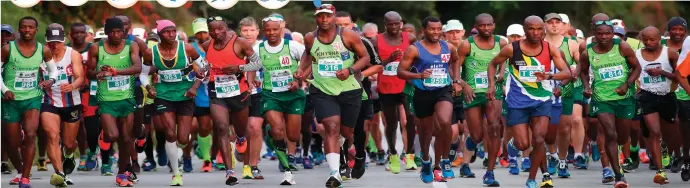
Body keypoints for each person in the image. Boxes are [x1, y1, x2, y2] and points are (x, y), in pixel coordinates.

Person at [490, 16, 572, 188]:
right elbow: (493, 64)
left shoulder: (550, 49)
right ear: (525, 31)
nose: (535, 32)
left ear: (543, 30)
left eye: (539, 29)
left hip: (542, 100)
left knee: (539, 139)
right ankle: (514, 144)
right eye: (531, 29)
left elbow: (567, 72)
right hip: (517, 101)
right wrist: (491, 85)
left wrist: (549, 76)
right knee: (523, 144)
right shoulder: (511, 49)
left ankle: (532, 179)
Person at [295, 4, 371, 187]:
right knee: (331, 127)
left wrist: (350, 70)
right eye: (320, 16)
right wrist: (301, 72)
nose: (324, 20)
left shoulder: (348, 35)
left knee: (346, 132)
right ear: (316, 17)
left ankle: (350, 147)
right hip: (322, 89)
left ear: (334, 17)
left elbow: (365, 58)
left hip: (349, 89)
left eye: (327, 16)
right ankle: (334, 173)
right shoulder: (310, 38)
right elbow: (308, 56)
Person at [396, 16, 460, 183]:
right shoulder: (414, 49)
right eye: (432, 29)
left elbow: (456, 60)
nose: (436, 32)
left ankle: (444, 161)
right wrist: (419, 75)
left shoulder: (449, 47)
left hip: (443, 90)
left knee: (445, 122)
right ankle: (425, 161)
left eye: (439, 29)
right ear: (423, 31)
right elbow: (400, 72)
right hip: (422, 92)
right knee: (426, 132)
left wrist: (456, 80)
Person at [200, 15, 262, 185]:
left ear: (226, 27)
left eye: (220, 28)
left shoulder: (240, 42)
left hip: (239, 92)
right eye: (212, 29)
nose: (216, 32)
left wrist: (240, 67)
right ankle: (229, 172)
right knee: (221, 128)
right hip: (217, 92)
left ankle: (242, 141)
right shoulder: (207, 45)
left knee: (241, 130)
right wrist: (202, 71)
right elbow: (207, 64)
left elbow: (257, 63)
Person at [579, 18, 642, 188]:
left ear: (613, 34)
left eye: (607, 33)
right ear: (594, 35)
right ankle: (618, 175)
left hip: (624, 98)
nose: (604, 36)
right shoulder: (588, 52)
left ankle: (620, 156)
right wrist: (586, 87)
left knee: (622, 137)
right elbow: (583, 72)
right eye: (600, 34)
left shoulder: (622, 46)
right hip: (602, 99)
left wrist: (627, 84)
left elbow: (637, 68)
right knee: (610, 133)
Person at [141, 19, 203, 186]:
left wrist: (195, 87)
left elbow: (205, 68)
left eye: (174, 31)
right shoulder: (150, 52)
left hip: (185, 95)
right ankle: (176, 174)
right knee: (170, 134)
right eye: (167, 32)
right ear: (160, 34)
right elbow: (142, 73)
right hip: (163, 95)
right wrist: (148, 87)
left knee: (182, 139)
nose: (171, 34)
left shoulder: (187, 48)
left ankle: (186, 142)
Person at [86, 17, 142, 187]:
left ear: (124, 32)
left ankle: (122, 173)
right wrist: (98, 74)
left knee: (126, 138)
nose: (116, 34)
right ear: (107, 32)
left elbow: (137, 68)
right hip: (106, 99)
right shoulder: (96, 48)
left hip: (127, 98)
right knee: (112, 135)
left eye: (119, 31)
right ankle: (106, 136)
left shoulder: (131, 45)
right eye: (112, 31)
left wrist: (115, 72)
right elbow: (89, 72)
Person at [1, 16, 55, 188]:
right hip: (11, 99)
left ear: (36, 30)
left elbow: (53, 71)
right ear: (19, 29)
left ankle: (25, 178)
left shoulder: (43, 50)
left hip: (33, 97)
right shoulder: (7, 49)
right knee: (12, 142)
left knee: (31, 134)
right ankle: (19, 170)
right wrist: (5, 90)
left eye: (31, 27)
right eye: (23, 27)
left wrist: (50, 81)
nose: (27, 30)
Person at [255, 15, 306, 185]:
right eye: (268, 29)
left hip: (293, 95)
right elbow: (251, 65)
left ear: (281, 29)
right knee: (278, 130)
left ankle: (271, 135)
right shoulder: (258, 48)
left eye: (275, 29)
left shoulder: (293, 46)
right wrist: (251, 79)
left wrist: (299, 80)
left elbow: (309, 62)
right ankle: (287, 171)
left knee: (291, 135)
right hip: (271, 94)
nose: (271, 32)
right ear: (264, 31)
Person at [456, 13, 507, 185]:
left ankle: (490, 172)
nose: (486, 28)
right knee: (477, 135)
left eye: (489, 25)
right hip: (473, 93)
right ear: (476, 27)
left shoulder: (501, 42)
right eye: (482, 26)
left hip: (493, 91)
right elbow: (454, 68)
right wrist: (463, 84)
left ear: (494, 25)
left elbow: (504, 60)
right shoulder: (466, 45)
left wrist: (501, 72)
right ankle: (465, 161)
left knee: (494, 127)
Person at [369, 11, 417, 174]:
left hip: (406, 85)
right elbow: (371, 64)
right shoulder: (376, 40)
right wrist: (389, 59)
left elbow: (418, 58)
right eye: (391, 24)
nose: (395, 27)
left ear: (401, 23)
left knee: (410, 120)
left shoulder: (409, 38)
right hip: (387, 87)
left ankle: (409, 154)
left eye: (397, 23)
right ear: (385, 24)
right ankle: (393, 154)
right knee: (391, 123)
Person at [39, 23, 85, 186]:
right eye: (51, 41)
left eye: (58, 42)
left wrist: (72, 86)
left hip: (71, 101)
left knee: (69, 143)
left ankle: (70, 154)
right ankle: (59, 174)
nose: (54, 45)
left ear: (64, 40)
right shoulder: (40, 54)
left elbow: (80, 77)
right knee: (52, 136)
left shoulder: (73, 54)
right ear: (46, 40)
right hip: (49, 101)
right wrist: (42, 84)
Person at [635, 26, 680, 185]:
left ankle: (670, 151)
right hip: (647, 96)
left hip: (667, 95)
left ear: (659, 38)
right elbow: (632, 72)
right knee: (654, 132)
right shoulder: (637, 55)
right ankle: (660, 171)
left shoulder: (670, 53)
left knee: (670, 134)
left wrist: (663, 73)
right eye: (645, 39)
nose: (648, 42)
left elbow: (680, 76)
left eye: (652, 39)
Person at [542, 13, 580, 178]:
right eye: (551, 23)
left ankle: (563, 160)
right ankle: (552, 155)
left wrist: (575, 72)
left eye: (558, 22)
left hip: (565, 90)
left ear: (564, 25)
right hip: (543, 92)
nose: (554, 25)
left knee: (564, 129)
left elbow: (580, 64)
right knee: (548, 128)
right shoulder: (538, 43)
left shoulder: (571, 44)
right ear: (545, 25)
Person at [237, 16, 268, 179]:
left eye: (251, 30)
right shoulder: (235, 46)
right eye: (245, 30)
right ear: (240, 32)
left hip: (258, 93)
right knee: (240, 130)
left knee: (255, 127)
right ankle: (239, 143)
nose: (248, 34)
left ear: (257, 31)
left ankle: (253, 166)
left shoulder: (264, 47)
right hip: (237, 94)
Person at [68, 23, 100, 173]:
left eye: (83, 32)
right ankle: (82, 155)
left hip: (90, 92)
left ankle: (93, 151)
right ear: (71, 34)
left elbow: (99, 68)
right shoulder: (66, 49)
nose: (80, 35)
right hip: (70, 92)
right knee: (76, 126)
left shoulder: (93, 48)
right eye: (76, 33)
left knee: (91, 127)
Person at [189, 17, 216, 173]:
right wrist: (196, 71)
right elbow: (187, 66)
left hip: (219, 90)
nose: (202, 35)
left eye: (205, 32)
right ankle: (206, 159)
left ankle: (219, 156)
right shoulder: (191, 48)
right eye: (199, 33)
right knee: (204, 126)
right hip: (200, 91)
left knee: (221, 126)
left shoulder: (218, 46)